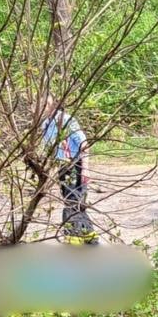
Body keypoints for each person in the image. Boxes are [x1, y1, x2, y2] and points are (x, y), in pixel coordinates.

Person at [41, 99, 96, 244]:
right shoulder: (45, 124)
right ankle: (87, 232)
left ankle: (73, 235)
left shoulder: (66, 120)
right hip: (62, 165)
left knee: (73, 201)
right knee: (73, 200)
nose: (41, 108)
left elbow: (84, 144)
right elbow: (50, 149)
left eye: (45, 104)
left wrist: (85, 169)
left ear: (52, 105)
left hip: (75, 163)